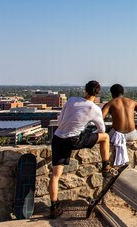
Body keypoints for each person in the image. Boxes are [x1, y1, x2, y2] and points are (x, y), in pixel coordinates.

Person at [48, 80, 112, 219]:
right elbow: (102, 129)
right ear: (98, 93)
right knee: (105, 137)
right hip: (74, 140)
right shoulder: (94, 109)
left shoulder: (71, 100)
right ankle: (106, 165)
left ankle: (54, 206)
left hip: (58, 138)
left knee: (55, 175)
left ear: (85, 90)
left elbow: (60, 121)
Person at [101, 84, 137, 166]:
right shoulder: (132, 102)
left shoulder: (110, 103)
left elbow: (100, 118)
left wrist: (107, 130)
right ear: (123, 92)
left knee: (106, 135)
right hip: (132, 134)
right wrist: (136, 128)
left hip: (116, 135)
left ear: (112, 94)